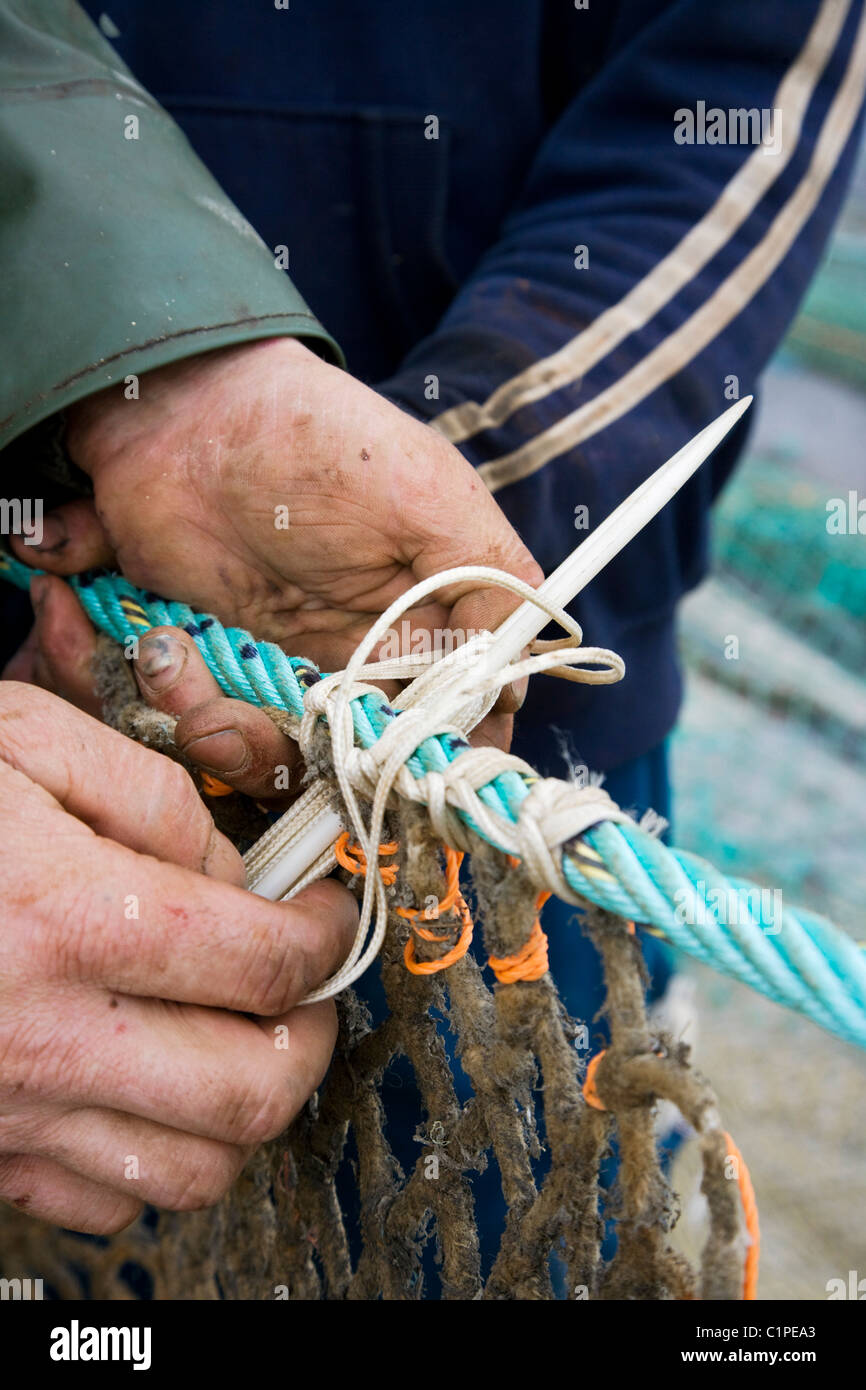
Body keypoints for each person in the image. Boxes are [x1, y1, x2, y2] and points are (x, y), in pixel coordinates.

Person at [0, 0, 863, 1248]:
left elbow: (714, 121)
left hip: (503, 772)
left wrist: (417, 520)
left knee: (503, 1213)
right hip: (52, 674)